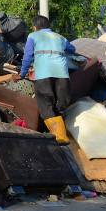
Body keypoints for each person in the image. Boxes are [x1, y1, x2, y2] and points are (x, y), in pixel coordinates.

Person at [13, 15, 76, 144]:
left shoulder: (32, 36)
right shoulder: (59, 37)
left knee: (46, 105)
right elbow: (72, 49)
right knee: (61, 103)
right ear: (48, 26)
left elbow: (28, 56)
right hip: (62, 75)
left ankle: (59, 136)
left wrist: (23, 73)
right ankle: (61, 132)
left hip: (43, 75)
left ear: (35, 27)